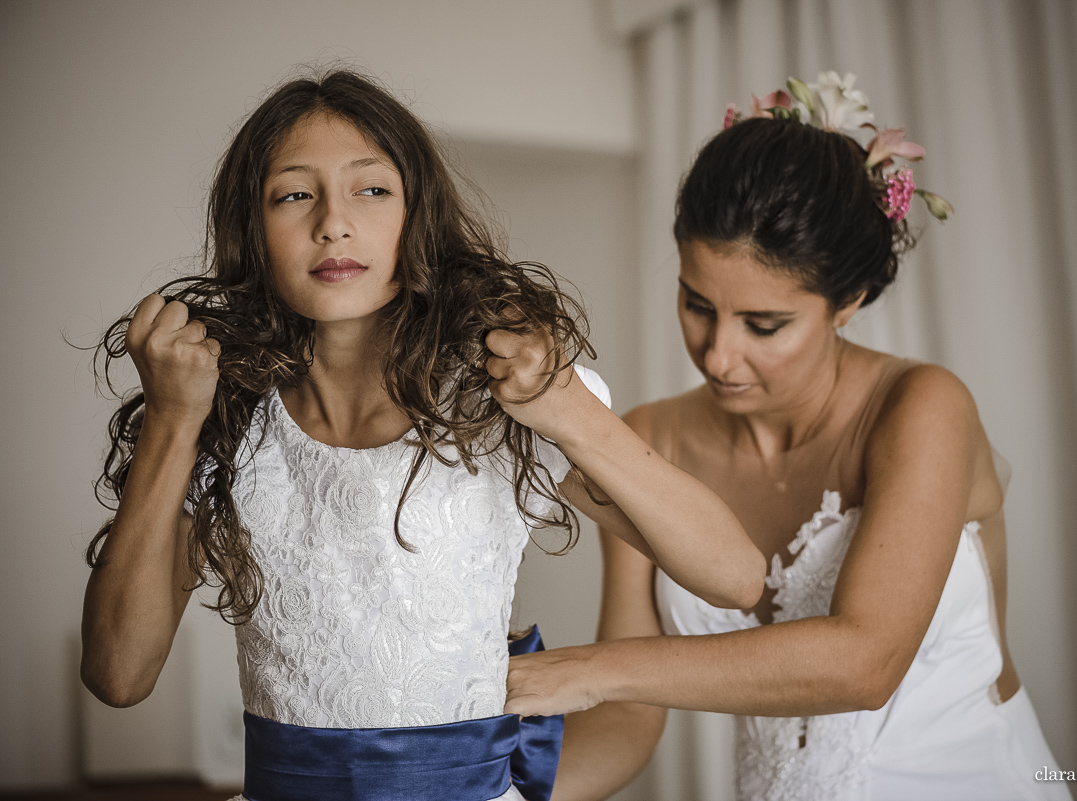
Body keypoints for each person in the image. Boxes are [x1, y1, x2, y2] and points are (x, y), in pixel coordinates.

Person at [79, 69, 766, 801]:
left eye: (371, 189)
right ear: (254, 230)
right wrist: (172, 421)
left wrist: (567, 405)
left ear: (418, 217)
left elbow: (735, 576)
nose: (333, 222)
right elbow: (118, 675)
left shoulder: (494, 403)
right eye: (294, 194)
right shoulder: (225, 421)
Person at [506, 73, 1071, 800]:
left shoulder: (922, 407)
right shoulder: (651, 438)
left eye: (764, 325)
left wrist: (582, 667)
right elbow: (627, 716)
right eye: (697, 304)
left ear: (850, 302)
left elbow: (865, 662)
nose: (718, 355)